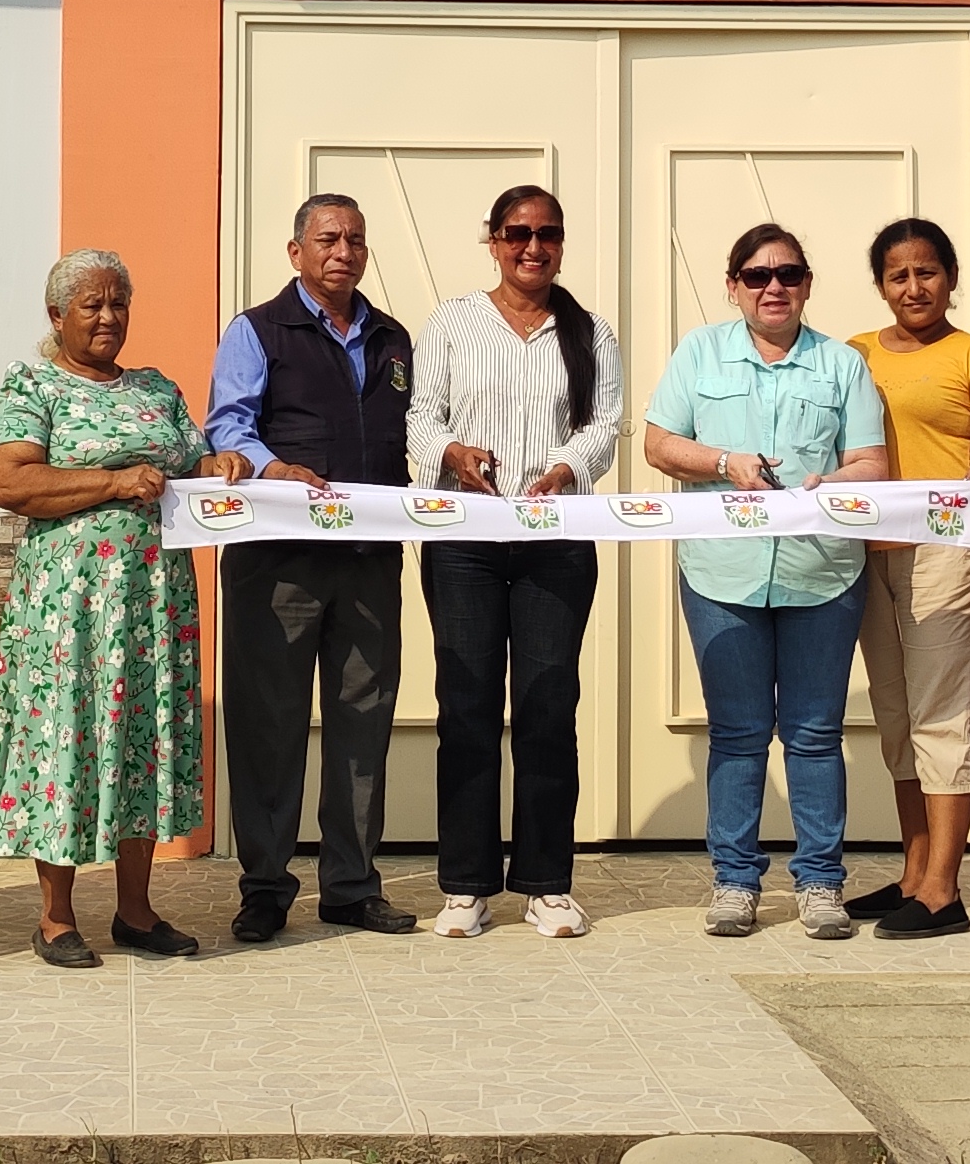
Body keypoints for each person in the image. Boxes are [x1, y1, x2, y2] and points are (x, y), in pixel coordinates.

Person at [0, 249, 228, 968]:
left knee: (141, 735)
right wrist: (113, 483)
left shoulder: (155, 388)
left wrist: (222, 466)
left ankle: (136, 911)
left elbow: (193, 463)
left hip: (153, 603)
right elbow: (10, 482)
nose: (109, 317)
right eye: (92, 305)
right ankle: (56, 917)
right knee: (69, 735)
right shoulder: (33, 385)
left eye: (119, 303)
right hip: (69, 608)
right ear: (57, 315)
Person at [639, 222, 893, 940]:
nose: (773, 287)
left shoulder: (841, 364)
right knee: (738, 733)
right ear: (734, 287)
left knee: (814, 734)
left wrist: (830, 483)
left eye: (787, 274)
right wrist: (725, 463)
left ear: (807, 285)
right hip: (721, 575)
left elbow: (872, 463)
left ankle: (820, 883)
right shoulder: (699, 352)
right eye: (756, 276)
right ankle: (734, 881)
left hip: (823, 573)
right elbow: (659, 444)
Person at [404, 183, 628, 939]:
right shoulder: (452, 323)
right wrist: (450, 452)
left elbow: (605, 424)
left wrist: (567, 466)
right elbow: (421, 416)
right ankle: (465, 885)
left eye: (547, 234)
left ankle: (546, 883)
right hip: (463, 542)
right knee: (466, 708)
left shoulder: (590, 333)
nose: (533, 247)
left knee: (546, 707)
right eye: (517, 233)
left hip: (554, 544)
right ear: (493, 240)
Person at [206, 193, 420, 941]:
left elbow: (413, 433)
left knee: (364, 723)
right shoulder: (257, 330)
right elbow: (228, 425)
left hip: (368, 563)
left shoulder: (393, 339)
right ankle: (265, 887)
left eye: (355, 240)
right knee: (269, 726)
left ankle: (351, 886)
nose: (343, 252)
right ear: (296, 252)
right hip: (278, 565)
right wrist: (274, 469)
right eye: (328, 239)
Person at [843, 217, 970, 939]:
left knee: (940, 716)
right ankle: (914, 874)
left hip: (946, 555)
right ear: (881, 285)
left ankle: (945, 889)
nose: (913, 287)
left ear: (950, 278)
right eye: (899, 275)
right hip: (867, 554)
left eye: (927, 272)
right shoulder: (853, 353)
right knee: (894, 717)